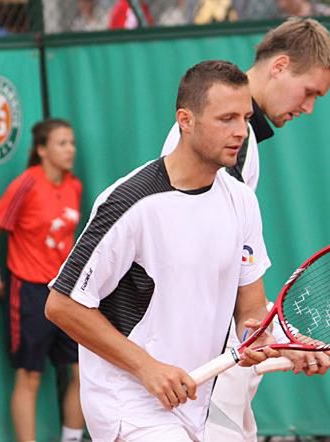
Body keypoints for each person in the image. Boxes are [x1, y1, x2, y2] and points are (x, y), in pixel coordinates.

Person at [44, 60, 280, 442]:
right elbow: (62, 305)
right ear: (185, 120)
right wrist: (147, 368)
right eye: (226, 119)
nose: (240, 132)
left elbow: (251, 312)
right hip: (130, 403)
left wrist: (277, 342)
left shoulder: (242, 201)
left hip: (202, 400)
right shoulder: (130, 202)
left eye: (245, 118)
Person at [161, 16, 330, 441]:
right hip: (203, 349)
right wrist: (280, 336)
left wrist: (277, 335)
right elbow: (211, 262)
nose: (309, 108)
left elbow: (228, 263)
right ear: (280, 66)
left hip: (212, 344)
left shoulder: (232, 141)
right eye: (309, 92)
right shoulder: (230, 146)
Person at [0, 118, 84, 442]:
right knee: (29, 376)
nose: (70, 149)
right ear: (42, 149)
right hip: (29, 293)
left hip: (64, 294)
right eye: (62, 143)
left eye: (72, 142)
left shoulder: (74, 186)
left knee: (82, 372)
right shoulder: (26, 183)